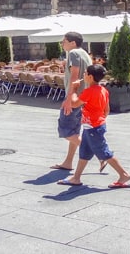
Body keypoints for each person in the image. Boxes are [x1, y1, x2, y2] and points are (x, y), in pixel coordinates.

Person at [56, 64, 130, 188]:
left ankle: (124, 174)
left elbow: (75, 104)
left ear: (90, 77)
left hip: (93, 128)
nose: (84, 75)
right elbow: (106, 110)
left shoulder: (89, 91)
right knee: (84, 152)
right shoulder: (104, 90)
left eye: (85, 73)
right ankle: (76, 178)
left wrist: (74, 89)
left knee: (105, 153)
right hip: (93, 126)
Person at [51, 31, 93, 172]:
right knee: (74, 130)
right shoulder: (85, 54)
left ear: (73, 42)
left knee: (65, 130)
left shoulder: (73, 53)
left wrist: (69, 98)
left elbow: (75, 76)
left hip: (75, 97)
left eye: (64, 41)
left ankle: (100, 154)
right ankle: (68, 162)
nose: (62, 44)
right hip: (83, 97)